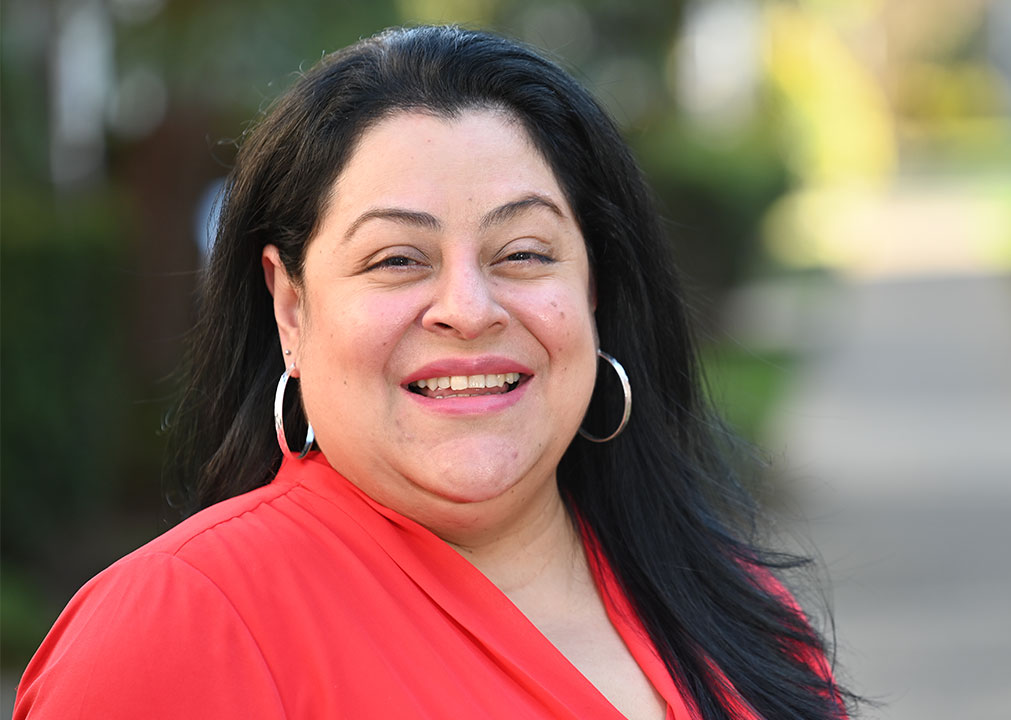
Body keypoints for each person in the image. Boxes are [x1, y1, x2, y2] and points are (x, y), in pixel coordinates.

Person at [15, 25, 853, 719]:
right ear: (291, 307)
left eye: (523, 252)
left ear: (593, 289)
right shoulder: (179, 630)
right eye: (397, 259)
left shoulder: (739, 614)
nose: (468, 308)